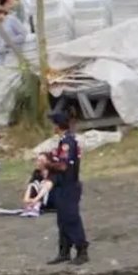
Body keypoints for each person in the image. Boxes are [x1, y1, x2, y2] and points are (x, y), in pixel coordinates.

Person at [47, 112, 89, 265]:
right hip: (63, 185)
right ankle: (64, 250)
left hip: (68, 185)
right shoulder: (65, 141)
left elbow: (63, 165)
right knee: (62, 220)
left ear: (58, 126)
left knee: (71, 218)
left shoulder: (67, 142)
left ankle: (81, 249)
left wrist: (47, 164)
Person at [22, 153, 55, 218]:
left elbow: (48, 185)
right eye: (37, 160)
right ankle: (30, 205)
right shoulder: (37, 172)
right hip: (40, 199)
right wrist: (26, 199)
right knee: (34, 183)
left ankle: (36, 204)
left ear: (48, 162)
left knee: (44, 183)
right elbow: (31, 185)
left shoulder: (54, 173)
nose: (38, 162)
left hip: (53, 199)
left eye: (41, 160)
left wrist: (35, 200)